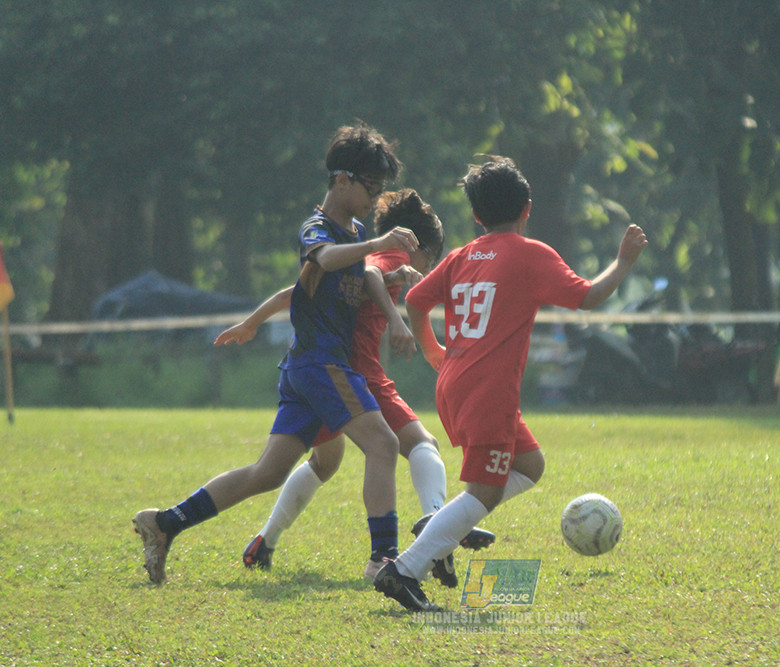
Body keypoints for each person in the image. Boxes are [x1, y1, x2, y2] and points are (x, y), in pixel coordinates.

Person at [132, 122, 417, 584]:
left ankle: (165, 522)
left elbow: (311, 290)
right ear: (342, 180)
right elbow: (321, 261)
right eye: (372, 186)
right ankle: (383, 558)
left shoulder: (357, 229)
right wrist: (380, 245)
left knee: (268, 472)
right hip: (321, 363)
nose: (377, 197)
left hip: (307, 367)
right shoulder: (318, 228)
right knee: (383, 444)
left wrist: (389, 279)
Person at [373, 155, 648, 612]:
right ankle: (405, 569)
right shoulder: (530, 253)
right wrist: (623, 261)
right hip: (488, 390)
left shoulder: (463, 254)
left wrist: (432, 351)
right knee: (484, 492)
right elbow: (589, 295)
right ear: (527, 208)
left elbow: (417, 300)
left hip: (455, 381)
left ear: (477, 216)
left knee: (531, 464)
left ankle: (444, 525)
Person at [215, 189, 494, 587]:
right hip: (355, 372)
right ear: (420, 247)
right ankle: (437, 533)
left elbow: (297, 292)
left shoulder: (362, 255)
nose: (426, 270)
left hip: (329, 369)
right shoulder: (391, 255)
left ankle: (266, 540)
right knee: (421, 443)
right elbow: (372, 274)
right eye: (429, 261)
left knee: (323, 463)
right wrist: (395, 320)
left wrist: (252, 321)